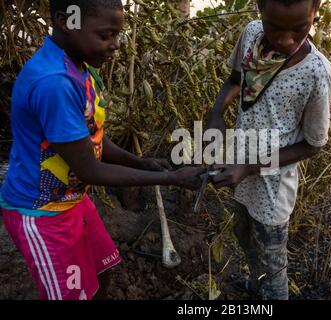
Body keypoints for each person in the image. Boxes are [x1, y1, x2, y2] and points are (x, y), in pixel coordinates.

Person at [0, 0, 204, 300]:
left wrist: (142, 162)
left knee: (102, 268)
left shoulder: (78, 67)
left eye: (117, 35)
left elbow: (91, 138)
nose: (115, 45)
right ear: (66, 21)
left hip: (71, 200)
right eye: (106, 35)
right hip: (42, 214)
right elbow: (90, 169)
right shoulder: (54, 83)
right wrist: (172, 179)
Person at [206, 0, 331, 300]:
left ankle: (270, 292)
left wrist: (249, 167)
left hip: (272, 188)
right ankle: (256, 285)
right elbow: (236, 81)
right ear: (259, 8)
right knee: (244, 236)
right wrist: (216, 114)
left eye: (300, 28)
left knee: (273, 261)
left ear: (316, 12)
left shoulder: (315, 72)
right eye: (274, 28)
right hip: (242, 171)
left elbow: (314, 144)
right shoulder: (251, 34)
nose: (286, 40)